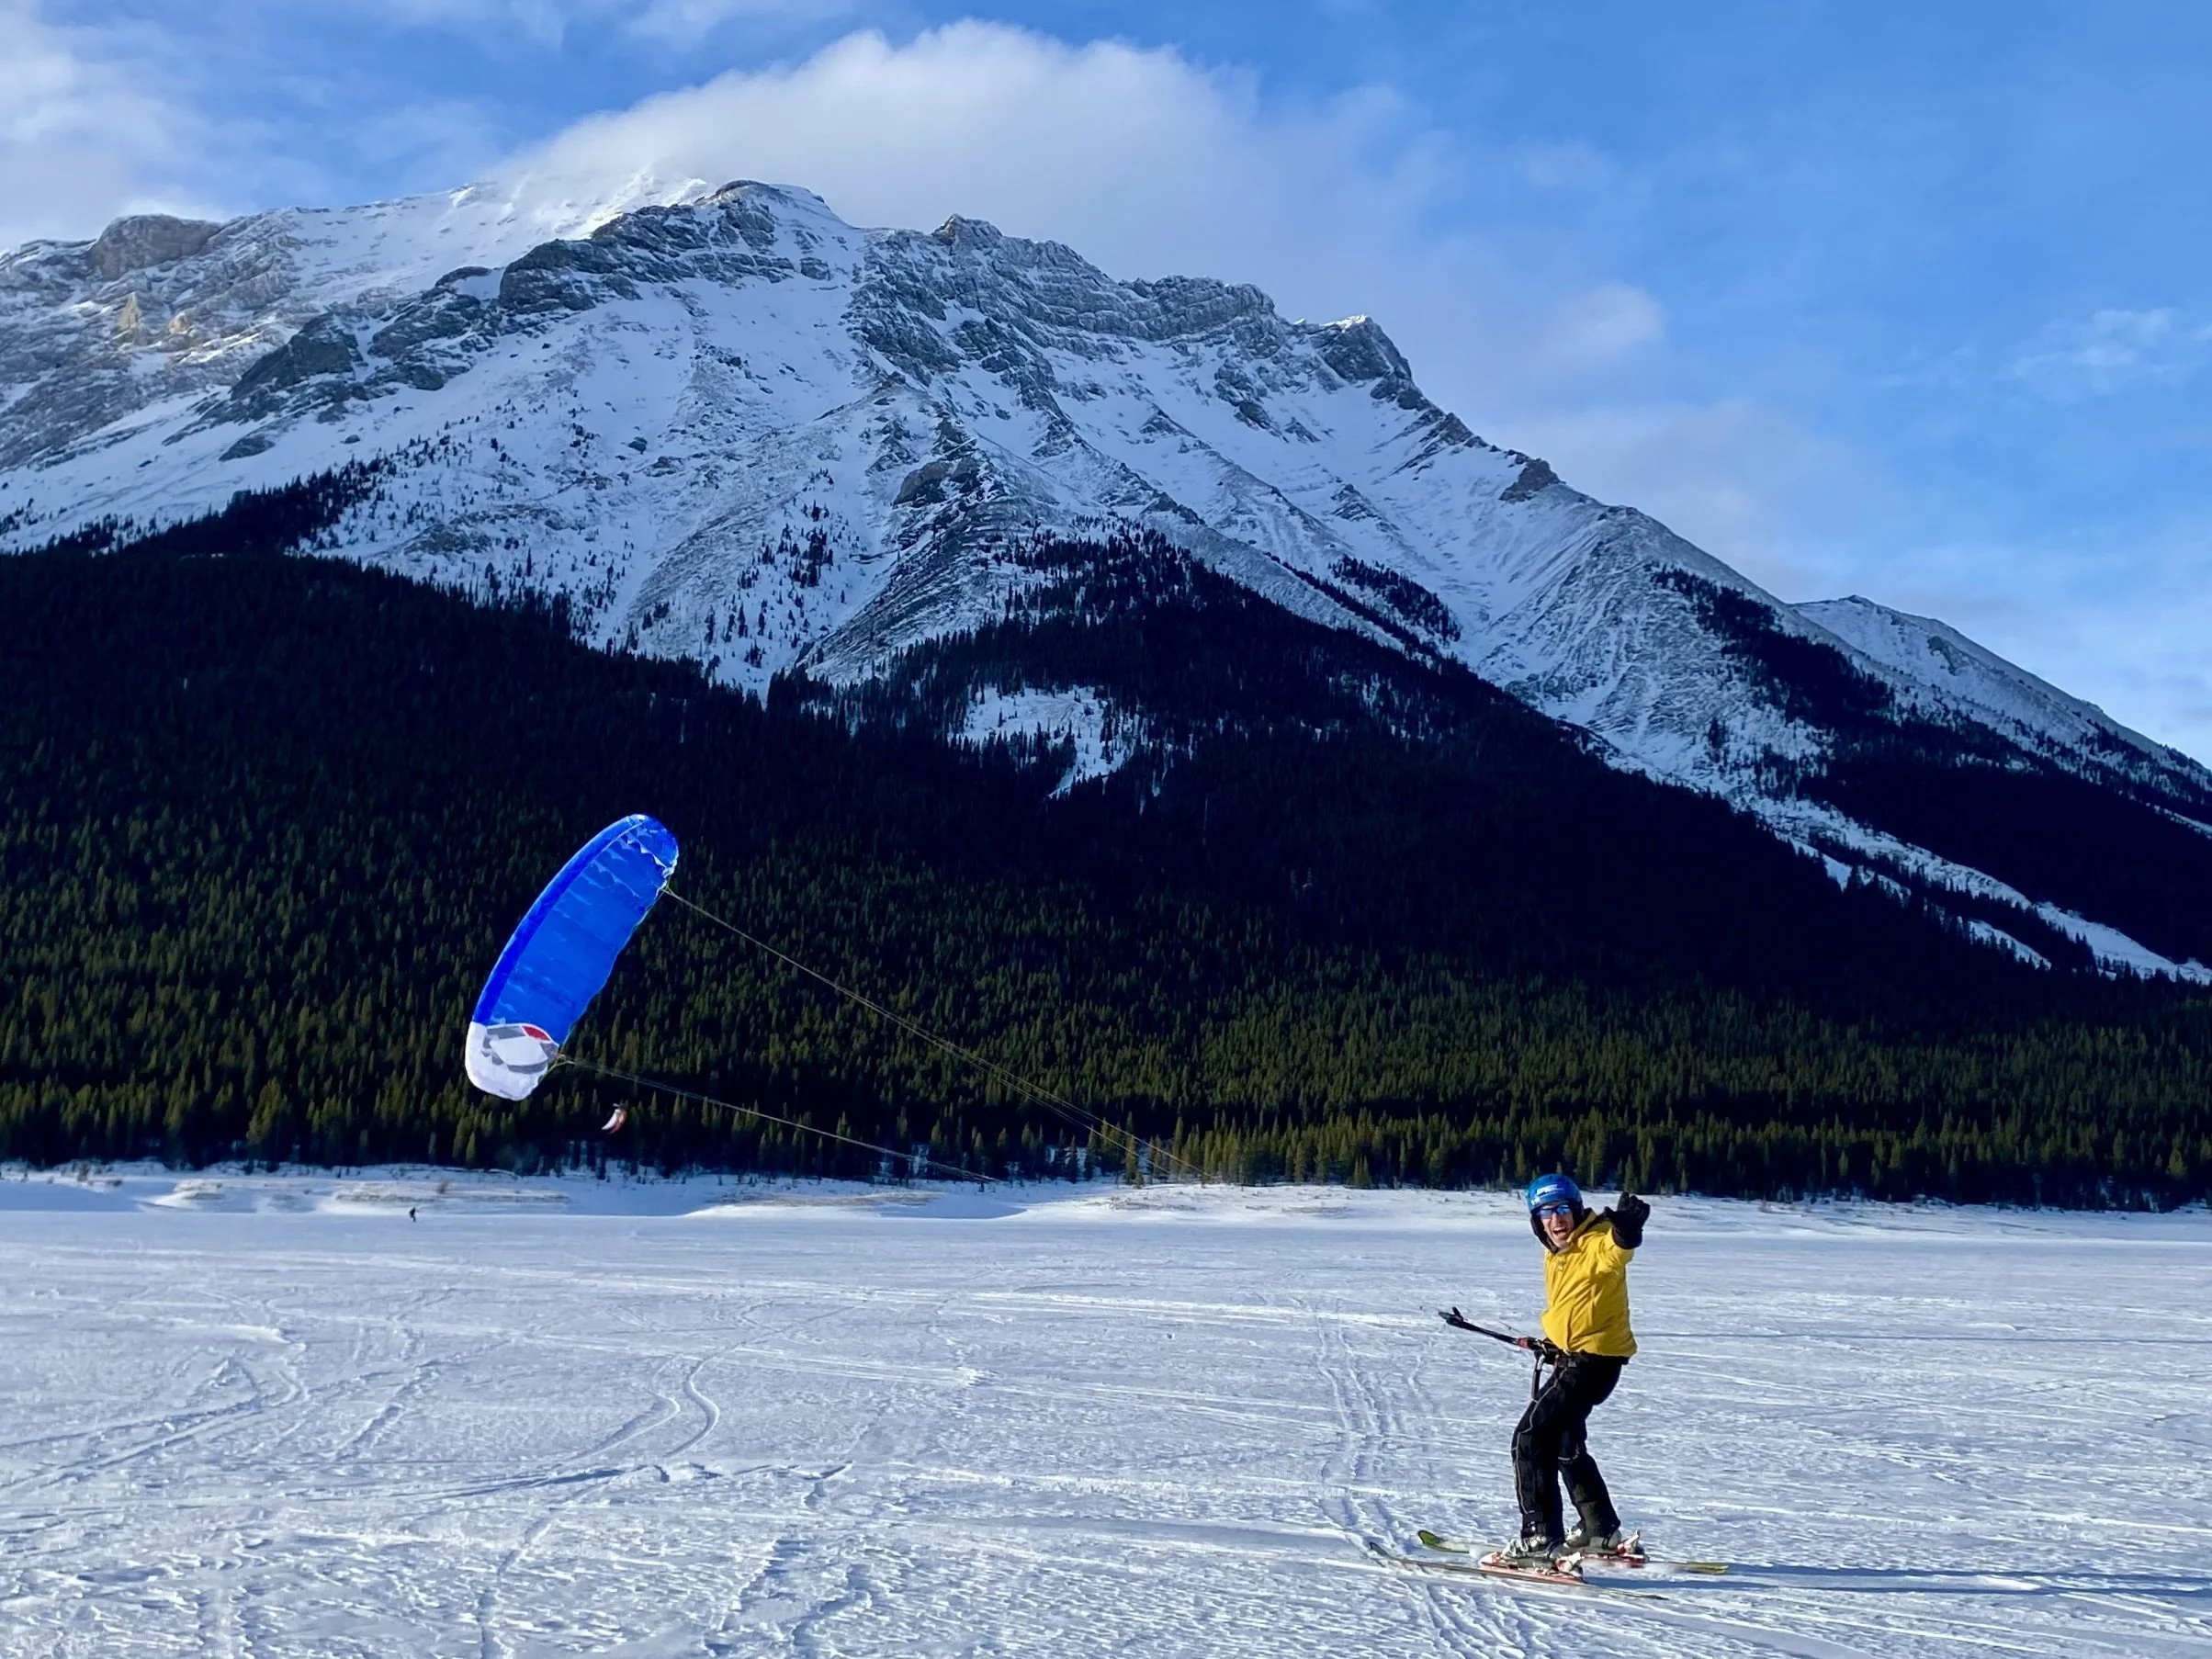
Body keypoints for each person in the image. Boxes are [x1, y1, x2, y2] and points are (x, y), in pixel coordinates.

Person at [1496, 1172, 1649, 1567]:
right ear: (1537, 1220)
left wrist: (1627, 1233)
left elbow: (1616, 1251)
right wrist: (1553, 1341)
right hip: (1581, 1356)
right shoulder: (1556, 1251)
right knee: (1564, 1442)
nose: (1556, 1219)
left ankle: (1540, 1537)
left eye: (1563, 1209)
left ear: (1577, 1210)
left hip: (1590, 1361)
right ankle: (1599, 1528)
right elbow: (1575, 1306)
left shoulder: (1595, 1241)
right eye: (1546, 1212)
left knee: (1530, 1437)